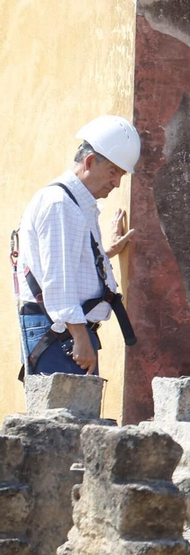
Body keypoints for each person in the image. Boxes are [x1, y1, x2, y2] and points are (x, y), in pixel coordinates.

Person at [12, 117, 140, 378]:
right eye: (113, 171)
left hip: (66, 330)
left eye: (121, 175)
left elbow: (68, 261)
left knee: (74, 417)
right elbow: (58, 279)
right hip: (63, 332)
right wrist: (79, 337)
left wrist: (108, 252)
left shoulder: (74, 203)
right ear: (90, 162)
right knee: (64, 418)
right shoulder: (60, 203)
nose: (117, 183)